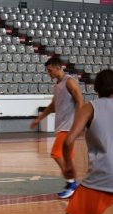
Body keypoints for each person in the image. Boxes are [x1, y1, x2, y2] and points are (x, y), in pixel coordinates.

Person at [55, 69, 113, 214]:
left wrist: (69, 167)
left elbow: (69, 140)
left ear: (95, 88)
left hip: (101, 177)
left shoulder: (90, 107)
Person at [30, 57, 84, 199]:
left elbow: (80, 101)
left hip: (68, 127)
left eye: (50, 70)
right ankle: (73, 184)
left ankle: (71, 183)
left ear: (58, 67)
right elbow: (53, 105)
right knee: (68, 159)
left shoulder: (69, 81)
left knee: (56, 154)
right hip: (62, 127)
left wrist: (78, 123)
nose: (48, 73)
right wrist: (39, 118)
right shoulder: (57, 85)